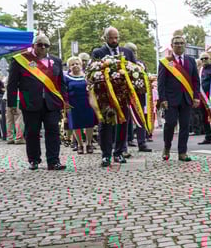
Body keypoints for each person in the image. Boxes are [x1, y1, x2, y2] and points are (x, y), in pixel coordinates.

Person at [6, 33, 69, 170]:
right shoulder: (21, 60)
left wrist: (65, 101)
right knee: (32, 132)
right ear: (33, 45)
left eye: (45, 45)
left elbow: (61, 84)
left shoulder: (56, 61)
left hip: (52, 103)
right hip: (30, 102)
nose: (42, 47)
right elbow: (12, 84)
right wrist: (11, 104)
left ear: (49, 47)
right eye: (39, 44)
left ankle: (53, 161)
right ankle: (34, 160)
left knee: (53, 131)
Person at [92, 27, 136, 166]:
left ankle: (119, 152)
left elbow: (135, 69)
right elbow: (93, 71)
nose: (114, 40)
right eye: (111, 38)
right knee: (105, 125)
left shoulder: (127, 52)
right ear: (105, 38)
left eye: (116, 38)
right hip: (105, 95)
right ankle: (106, 155)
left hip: (123, 95)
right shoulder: (98, 52)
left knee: (122, 123)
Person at [158, 34, 200, 161]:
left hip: (186, 99)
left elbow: (195, 81)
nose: (179, 45)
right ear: (172, 46)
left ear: (185, 45)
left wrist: (196, 96)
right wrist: (162, 99)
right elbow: (161, 82)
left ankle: (182, 152)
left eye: (181, 43)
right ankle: (167, 147)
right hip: (170, 100)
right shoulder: (167, 62)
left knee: (185, 126)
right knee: (170, 124)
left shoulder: (191, 61)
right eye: (176, 43)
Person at [63, 56, 96, 155]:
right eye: (72, 64)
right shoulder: (66, 78)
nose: (75, 66)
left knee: (89, 124)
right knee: (76, 125)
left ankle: (89, 144)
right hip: (73, 104)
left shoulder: (87, 76)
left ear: (81, 65)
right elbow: (64, 91)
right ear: (69, 67)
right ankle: (80, 145)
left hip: (87, 103)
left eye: (77, 63)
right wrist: (66, 103)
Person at [123, 43, 152, 153]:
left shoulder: (141, 64)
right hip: (126, 94)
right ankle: (124, 143)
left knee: (140, 118)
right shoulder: (121, 64)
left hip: (139, 95)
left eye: (135, 51)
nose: (134, 54)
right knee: (125, 119)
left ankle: (142, 142)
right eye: (131, 51)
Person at [197, 53, 211, 145]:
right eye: (202, 59)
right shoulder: (201, 70)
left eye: (205, 58)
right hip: (202, 97)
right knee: (204, 118)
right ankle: (208, 137)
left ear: (209, 59)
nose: (203, 60)